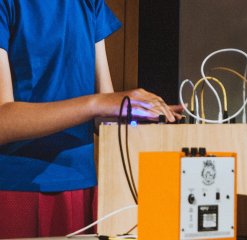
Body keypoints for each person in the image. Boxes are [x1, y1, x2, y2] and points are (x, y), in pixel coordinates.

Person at [0, 0, 182, 238]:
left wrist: (142, 114)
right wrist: (97, 104)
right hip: (19, 188)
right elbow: (3, 120)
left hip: (83, 185)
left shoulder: (90, 3)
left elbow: (103, 116)